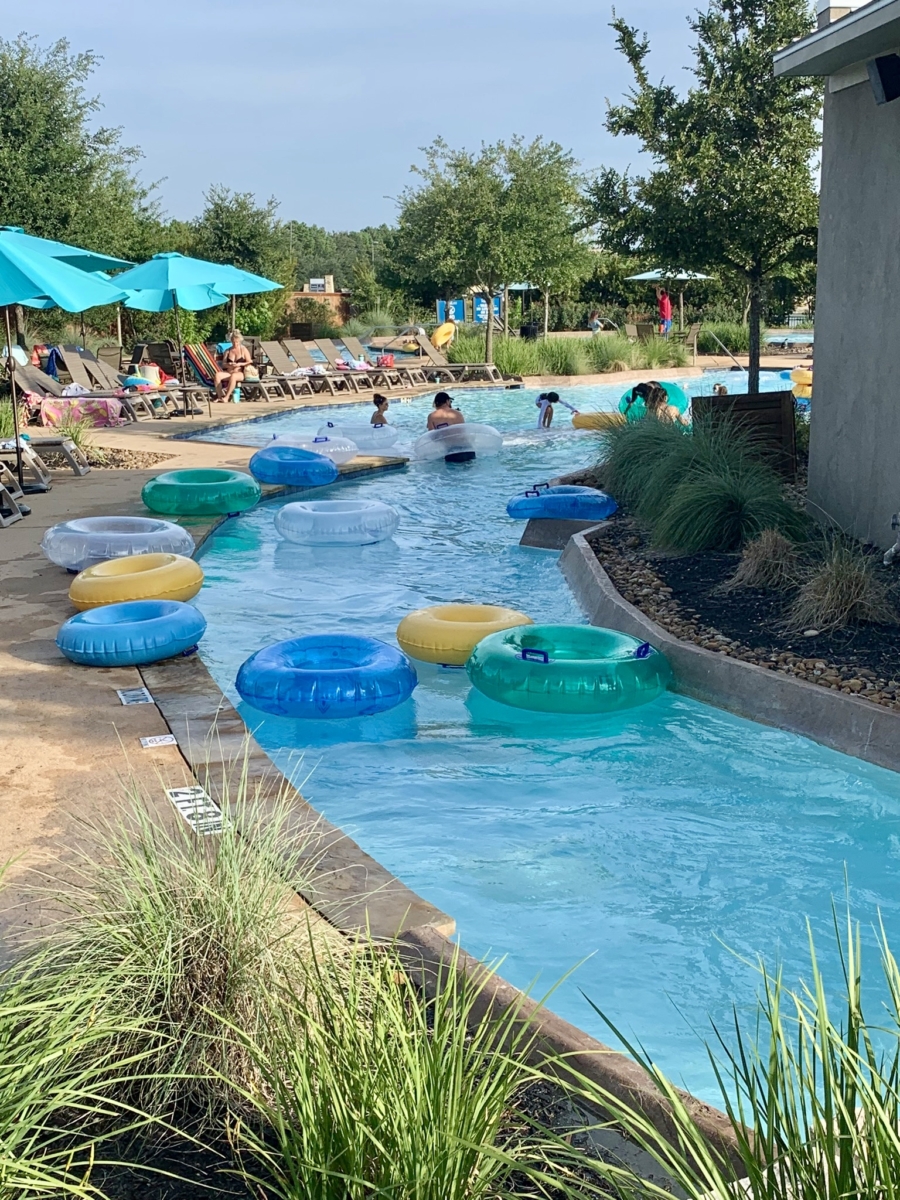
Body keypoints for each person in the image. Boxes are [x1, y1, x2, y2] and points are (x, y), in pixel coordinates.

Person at [214, 330, 253, 402]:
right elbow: (223, 364)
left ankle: (226, 397)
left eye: (237, 342)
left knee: (234, 376)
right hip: (229, 372)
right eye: (234, 342)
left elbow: (250, 361)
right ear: (231, 341)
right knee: (217, 375)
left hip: (240, 373)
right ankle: (220, 396)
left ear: (240, 341)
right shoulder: (227, 351)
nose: (235, 344)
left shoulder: (243, 349)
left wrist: (240, 364)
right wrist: (229, 364)